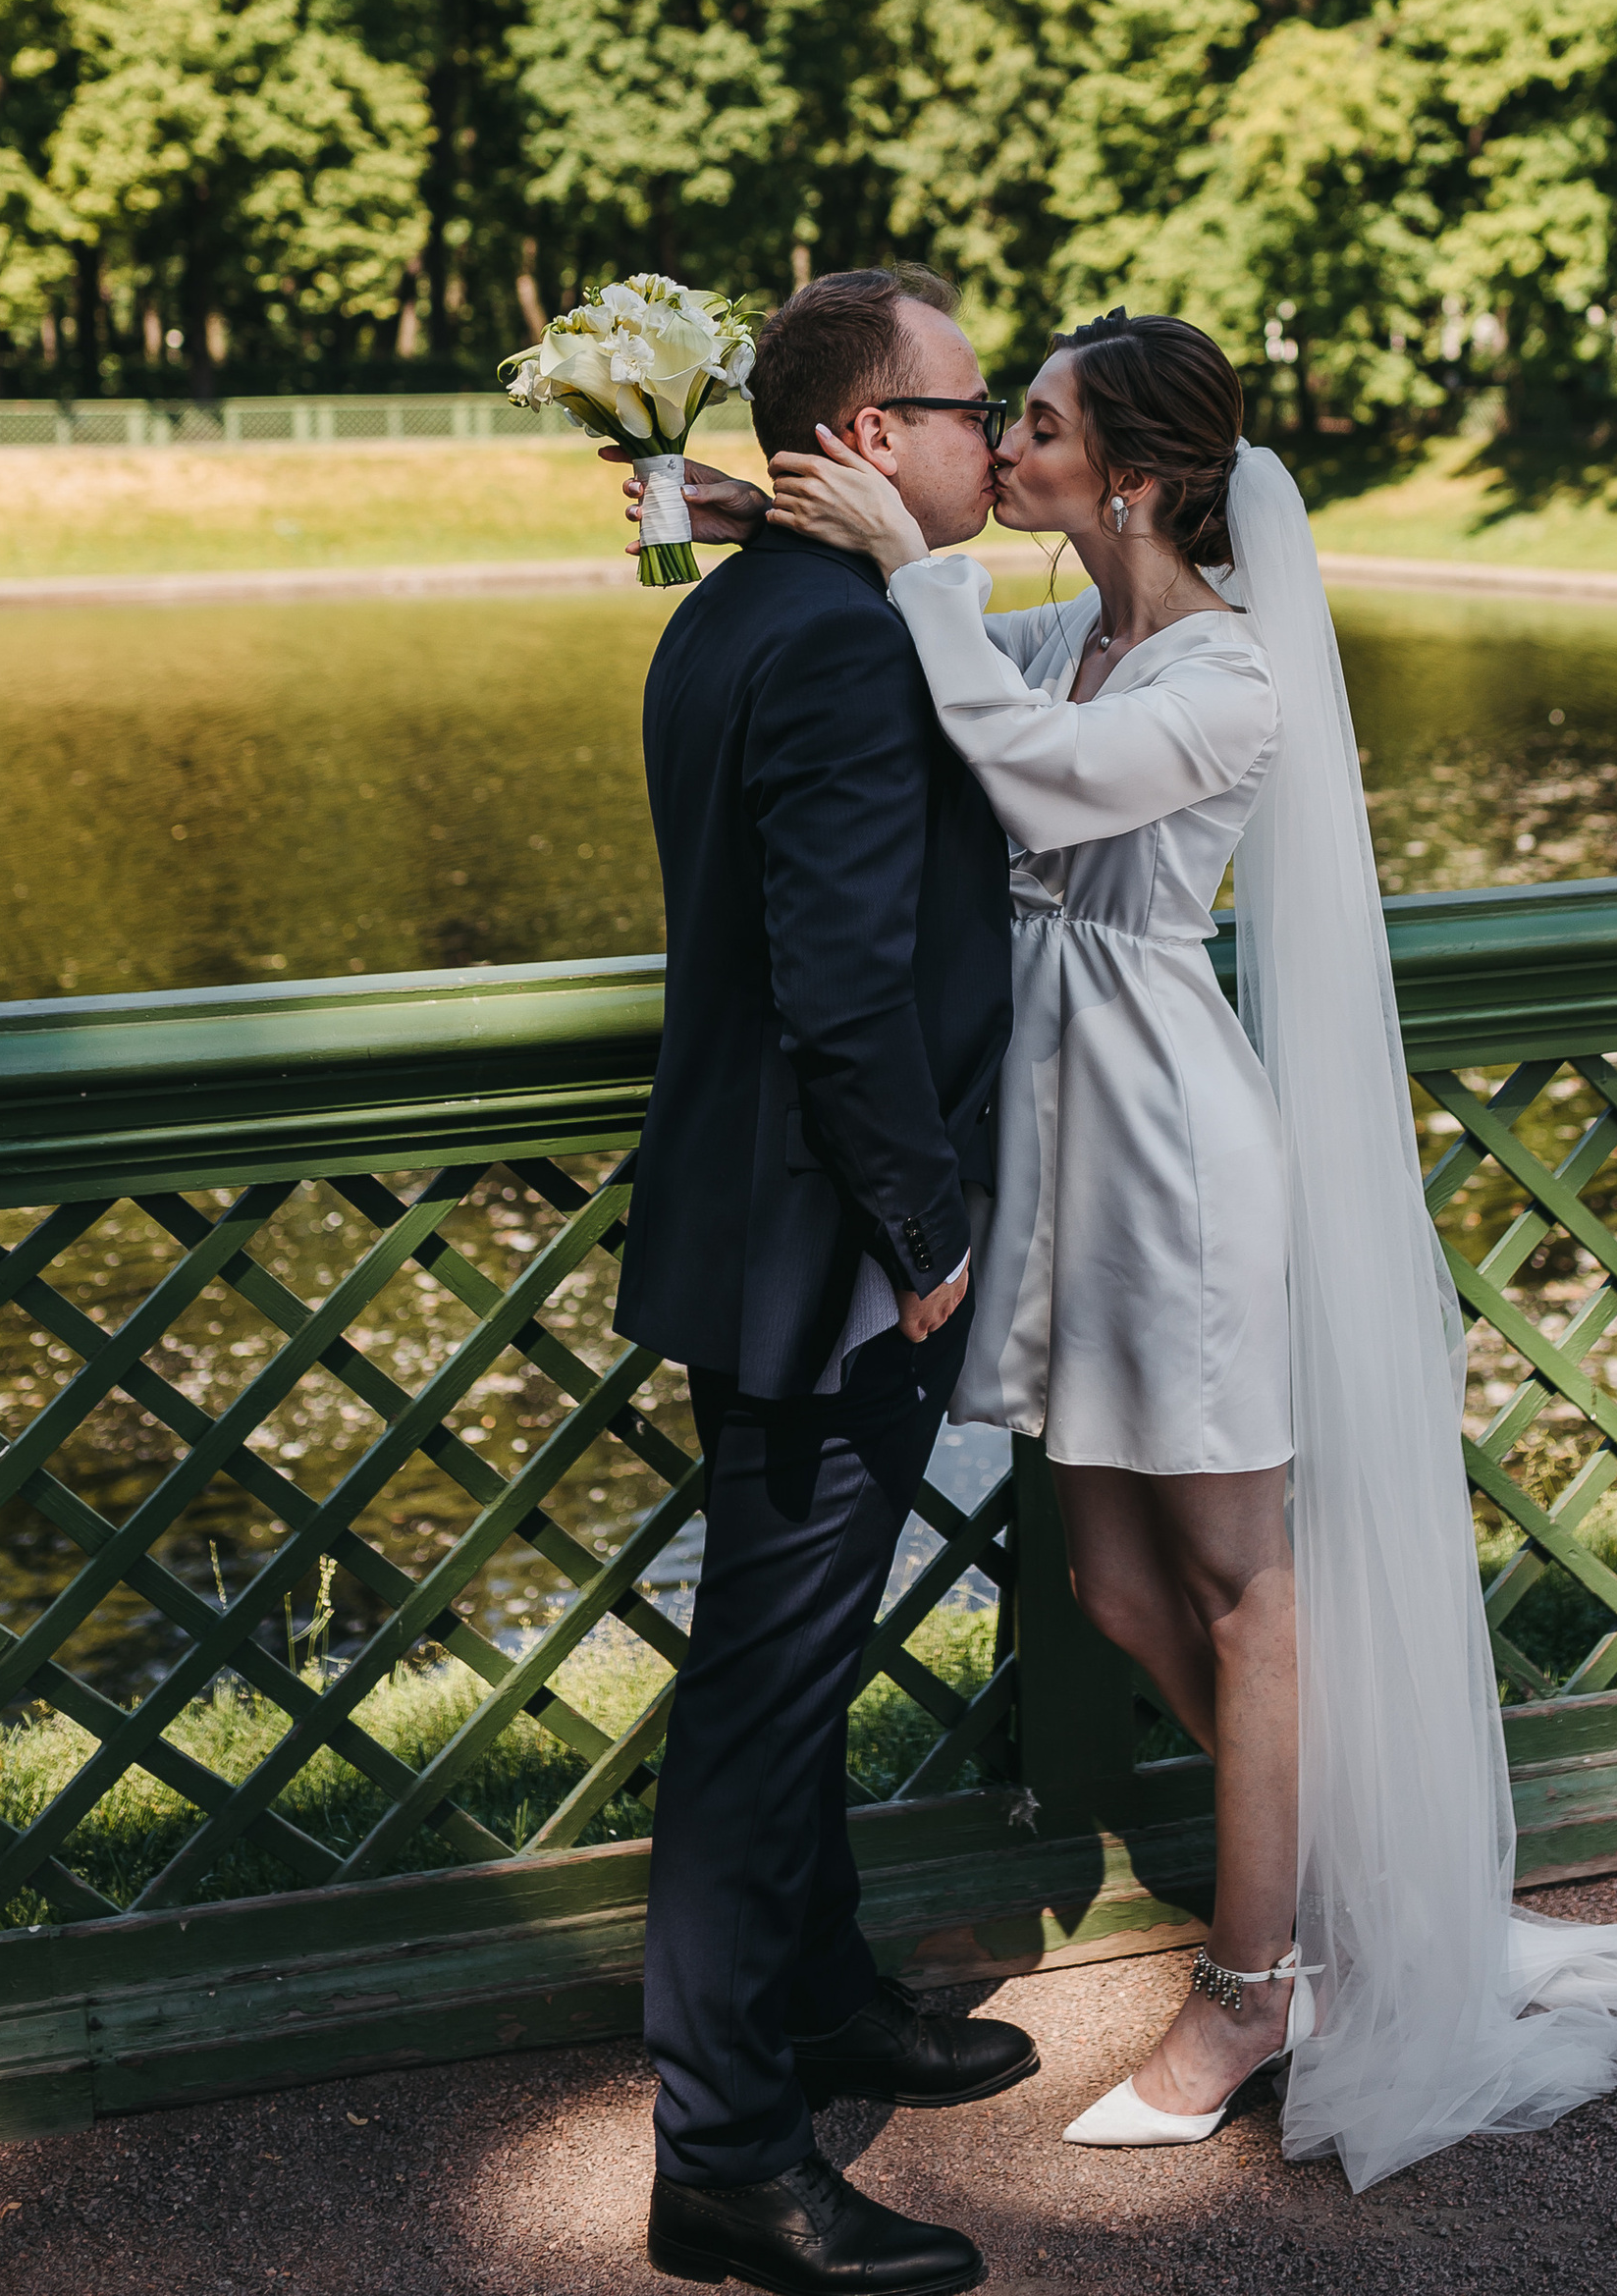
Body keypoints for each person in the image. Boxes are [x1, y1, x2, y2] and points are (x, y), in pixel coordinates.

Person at [765, 308, 1617, 2191]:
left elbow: (1029, 779)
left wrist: (917, 575)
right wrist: (776, 513)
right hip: (1056, 1153)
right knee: (1124, 1595)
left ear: (1127, 474)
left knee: (1242, 1588)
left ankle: (1256, 1982)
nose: (1000, 439)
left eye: (1035, 421)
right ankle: (1350, 1876)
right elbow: (951, 696)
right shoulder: (1080, 633)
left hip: (1175, 1162)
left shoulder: (1231, 676)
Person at [613, 265, 1037, 2296]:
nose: (986, 438)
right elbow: (844, 983)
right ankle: (720, 2150)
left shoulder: (728, 615)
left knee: (799, 1652)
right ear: (870, 434)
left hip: (748, 1220)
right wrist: (927, 1232)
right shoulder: (848, 648)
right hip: (823, 1254)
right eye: (966, 406)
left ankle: (828, 1992)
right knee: (763, 1695)